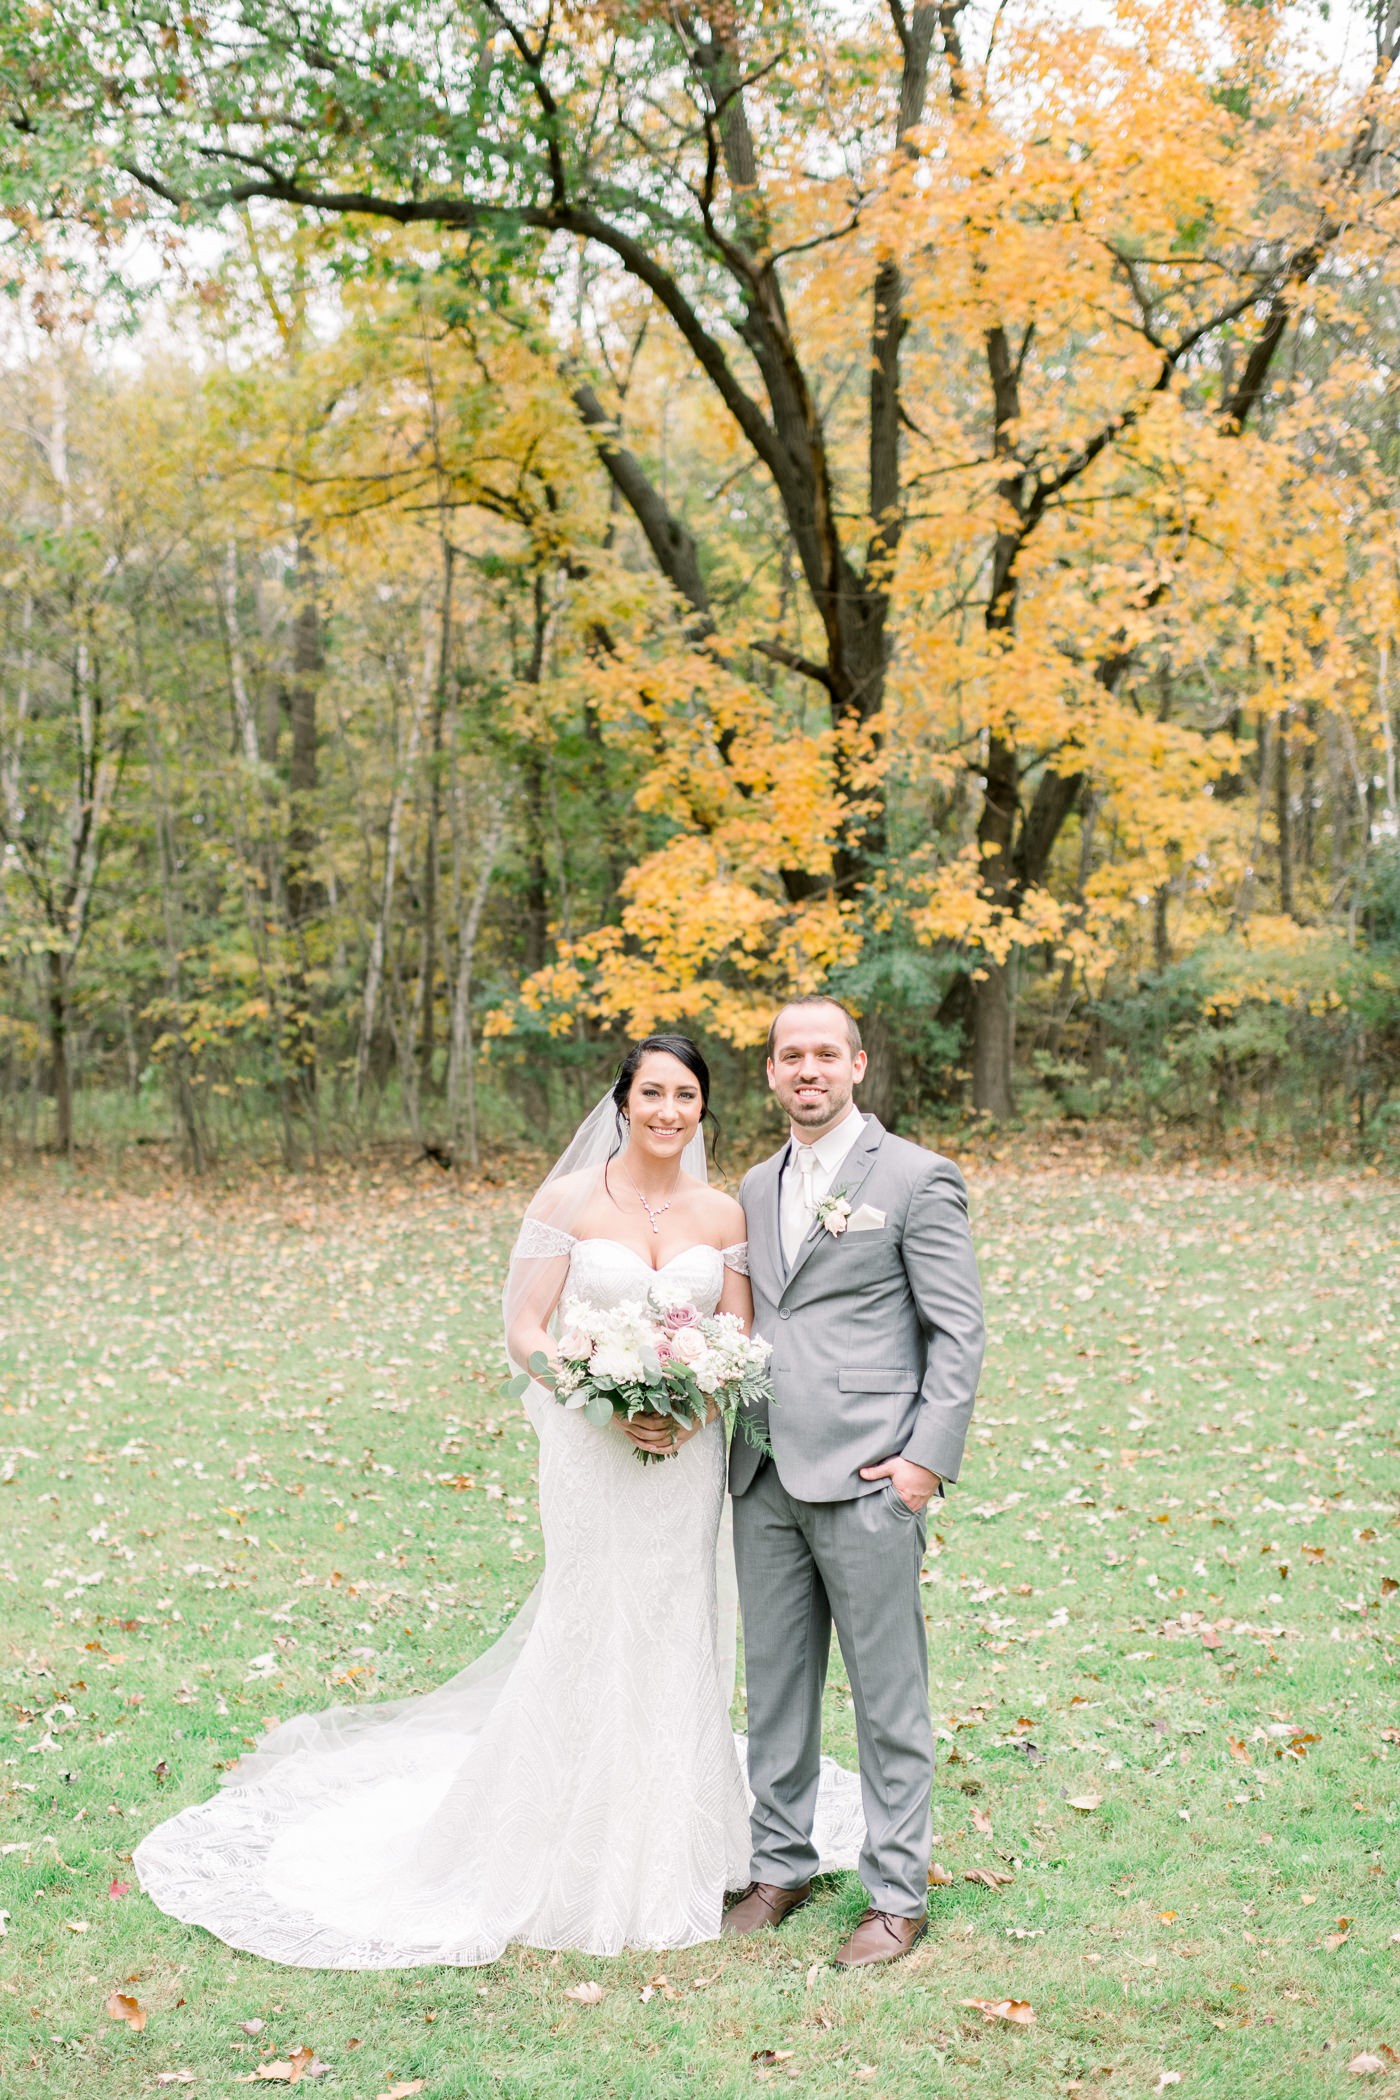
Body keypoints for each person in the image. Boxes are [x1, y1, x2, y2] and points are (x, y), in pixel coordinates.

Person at [133, 1033, 862, 1967]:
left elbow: (739, 1332)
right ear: (624, 1100)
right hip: (591, 1450)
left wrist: (692, 1405)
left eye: (686, 1095)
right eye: (652, 1093)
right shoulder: (568, 1198)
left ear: (704, 1109)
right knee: (586, 1614)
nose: (669, 1111)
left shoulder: (724, 1214)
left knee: (677, 1621)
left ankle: (677, 1837)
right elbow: (524, 1326)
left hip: (686, 1456)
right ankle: (558, 1834)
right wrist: (598, 1390)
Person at [726, 997, 985, 1969]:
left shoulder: (916, 1178)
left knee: (887, 1696)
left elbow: (957, 1331)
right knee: (776, 1688)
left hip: (873, 1476)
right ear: (769, 1072)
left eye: (823, 1054)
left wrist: (924, 1461)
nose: (807, 1069)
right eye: (789, 1055)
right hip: (760, 1473)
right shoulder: (753, 1184)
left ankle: (894, 1894)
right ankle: (778, 1865)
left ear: (857, 1065)